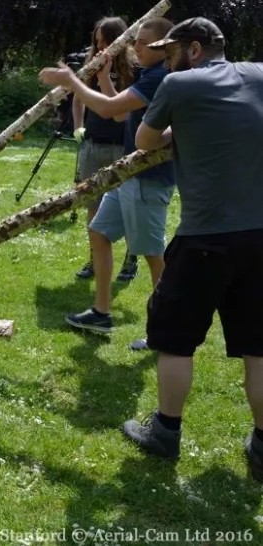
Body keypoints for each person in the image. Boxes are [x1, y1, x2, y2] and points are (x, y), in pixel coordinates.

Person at [121, 18, 263, 481]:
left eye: (172, 49)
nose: (166, 57)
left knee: (175, 339)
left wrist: (179, 132)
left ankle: (165, 431)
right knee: (259, 346)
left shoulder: (180, 85)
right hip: (260, 235)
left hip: (206, 236)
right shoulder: (260, 74)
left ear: (195, 49)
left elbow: (144, 142)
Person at [39, 17, 175, 346]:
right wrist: (101, 78)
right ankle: (101, 313)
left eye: (143, 43)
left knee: (153, 255)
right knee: (99, 233)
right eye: (136, 41)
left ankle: (167, 329)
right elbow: (117, 114)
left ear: (163, 48)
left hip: (148, 178)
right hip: (128, 172)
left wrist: (72, 80)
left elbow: (110, 107)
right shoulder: (147, 73)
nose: (136, 47)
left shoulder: (161, 77)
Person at [70, 18, 135, 282]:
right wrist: (78, 127)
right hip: (94, 144)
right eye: (96, 40)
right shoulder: (92, 63)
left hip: (124, 145)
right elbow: (78, 97)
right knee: (93, 205)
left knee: (130, 205)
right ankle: (94, 260)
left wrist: (106, 77)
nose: (99, 46)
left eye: (105, 40)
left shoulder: (134, 68)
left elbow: (119, 111)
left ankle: (131, 260)